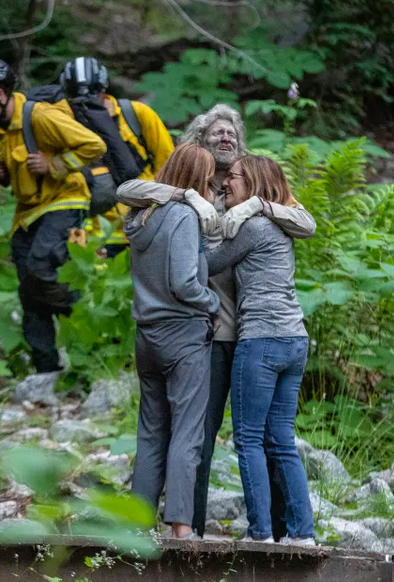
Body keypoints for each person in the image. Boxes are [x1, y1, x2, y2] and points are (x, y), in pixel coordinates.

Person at [115, 103, 316, 538]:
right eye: (216, 133)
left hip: (250, 331)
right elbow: (129, 189)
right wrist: (185, 194)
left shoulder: (251, 185)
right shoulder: (189, 191)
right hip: (205, 328)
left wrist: (256, 206)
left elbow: (305, 220)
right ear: (199, 144)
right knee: (199, 435)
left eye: (231, 133)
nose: (225, 138)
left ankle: (281, 531)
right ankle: (194, 527)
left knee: (261, 436)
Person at [0, 57, 106, 385]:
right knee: (28, 289)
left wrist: (55, 163)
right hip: (27, 213)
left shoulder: (40, 116)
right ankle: (46, 369)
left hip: (66, 200)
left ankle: (83, 317)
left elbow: (94, 146)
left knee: (41, 267)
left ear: (0, 94)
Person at [206, 155, 315, 545]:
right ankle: (302, 534)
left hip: (261, 339)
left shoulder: (252, 226)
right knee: (281, 439)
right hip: (294, 339)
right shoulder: (278, 223)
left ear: (251, 182)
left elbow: (209, 264)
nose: (225, 184)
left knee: (249, 438)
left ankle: (261, 533)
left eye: (232, 178)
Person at [126, 143, 220, 539]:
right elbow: (184, 282)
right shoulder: (183, 216)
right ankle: (181, 528)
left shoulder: (141, 216)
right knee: (187, 431)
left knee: (150, 432)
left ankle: (136, 524)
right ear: (199, 179)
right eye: (210, 177)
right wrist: (212, 301)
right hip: (183, 335)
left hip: (146, 335)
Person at [59, 57, 174, 258]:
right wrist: (78, 249)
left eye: (94, 92)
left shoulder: (135, 114)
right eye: (75, 95)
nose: (85, 101)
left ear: (104, 88)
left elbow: (169, 165)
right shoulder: (61, 124)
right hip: (88, 235)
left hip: (140, 228)